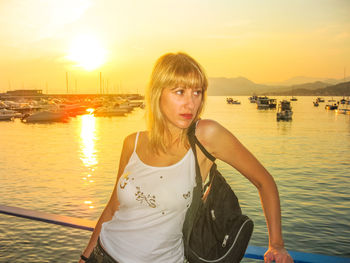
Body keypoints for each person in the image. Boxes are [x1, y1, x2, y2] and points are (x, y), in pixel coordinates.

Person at [79, 52, 293, 263]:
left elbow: (264, 181)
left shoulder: (205, 137)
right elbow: (112, 208)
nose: (191, 104)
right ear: (157, 93)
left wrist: (277, 244)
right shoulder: (132, 143)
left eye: (197, 93)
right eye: (180, 92)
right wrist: (85, 256)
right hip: (102, 255)